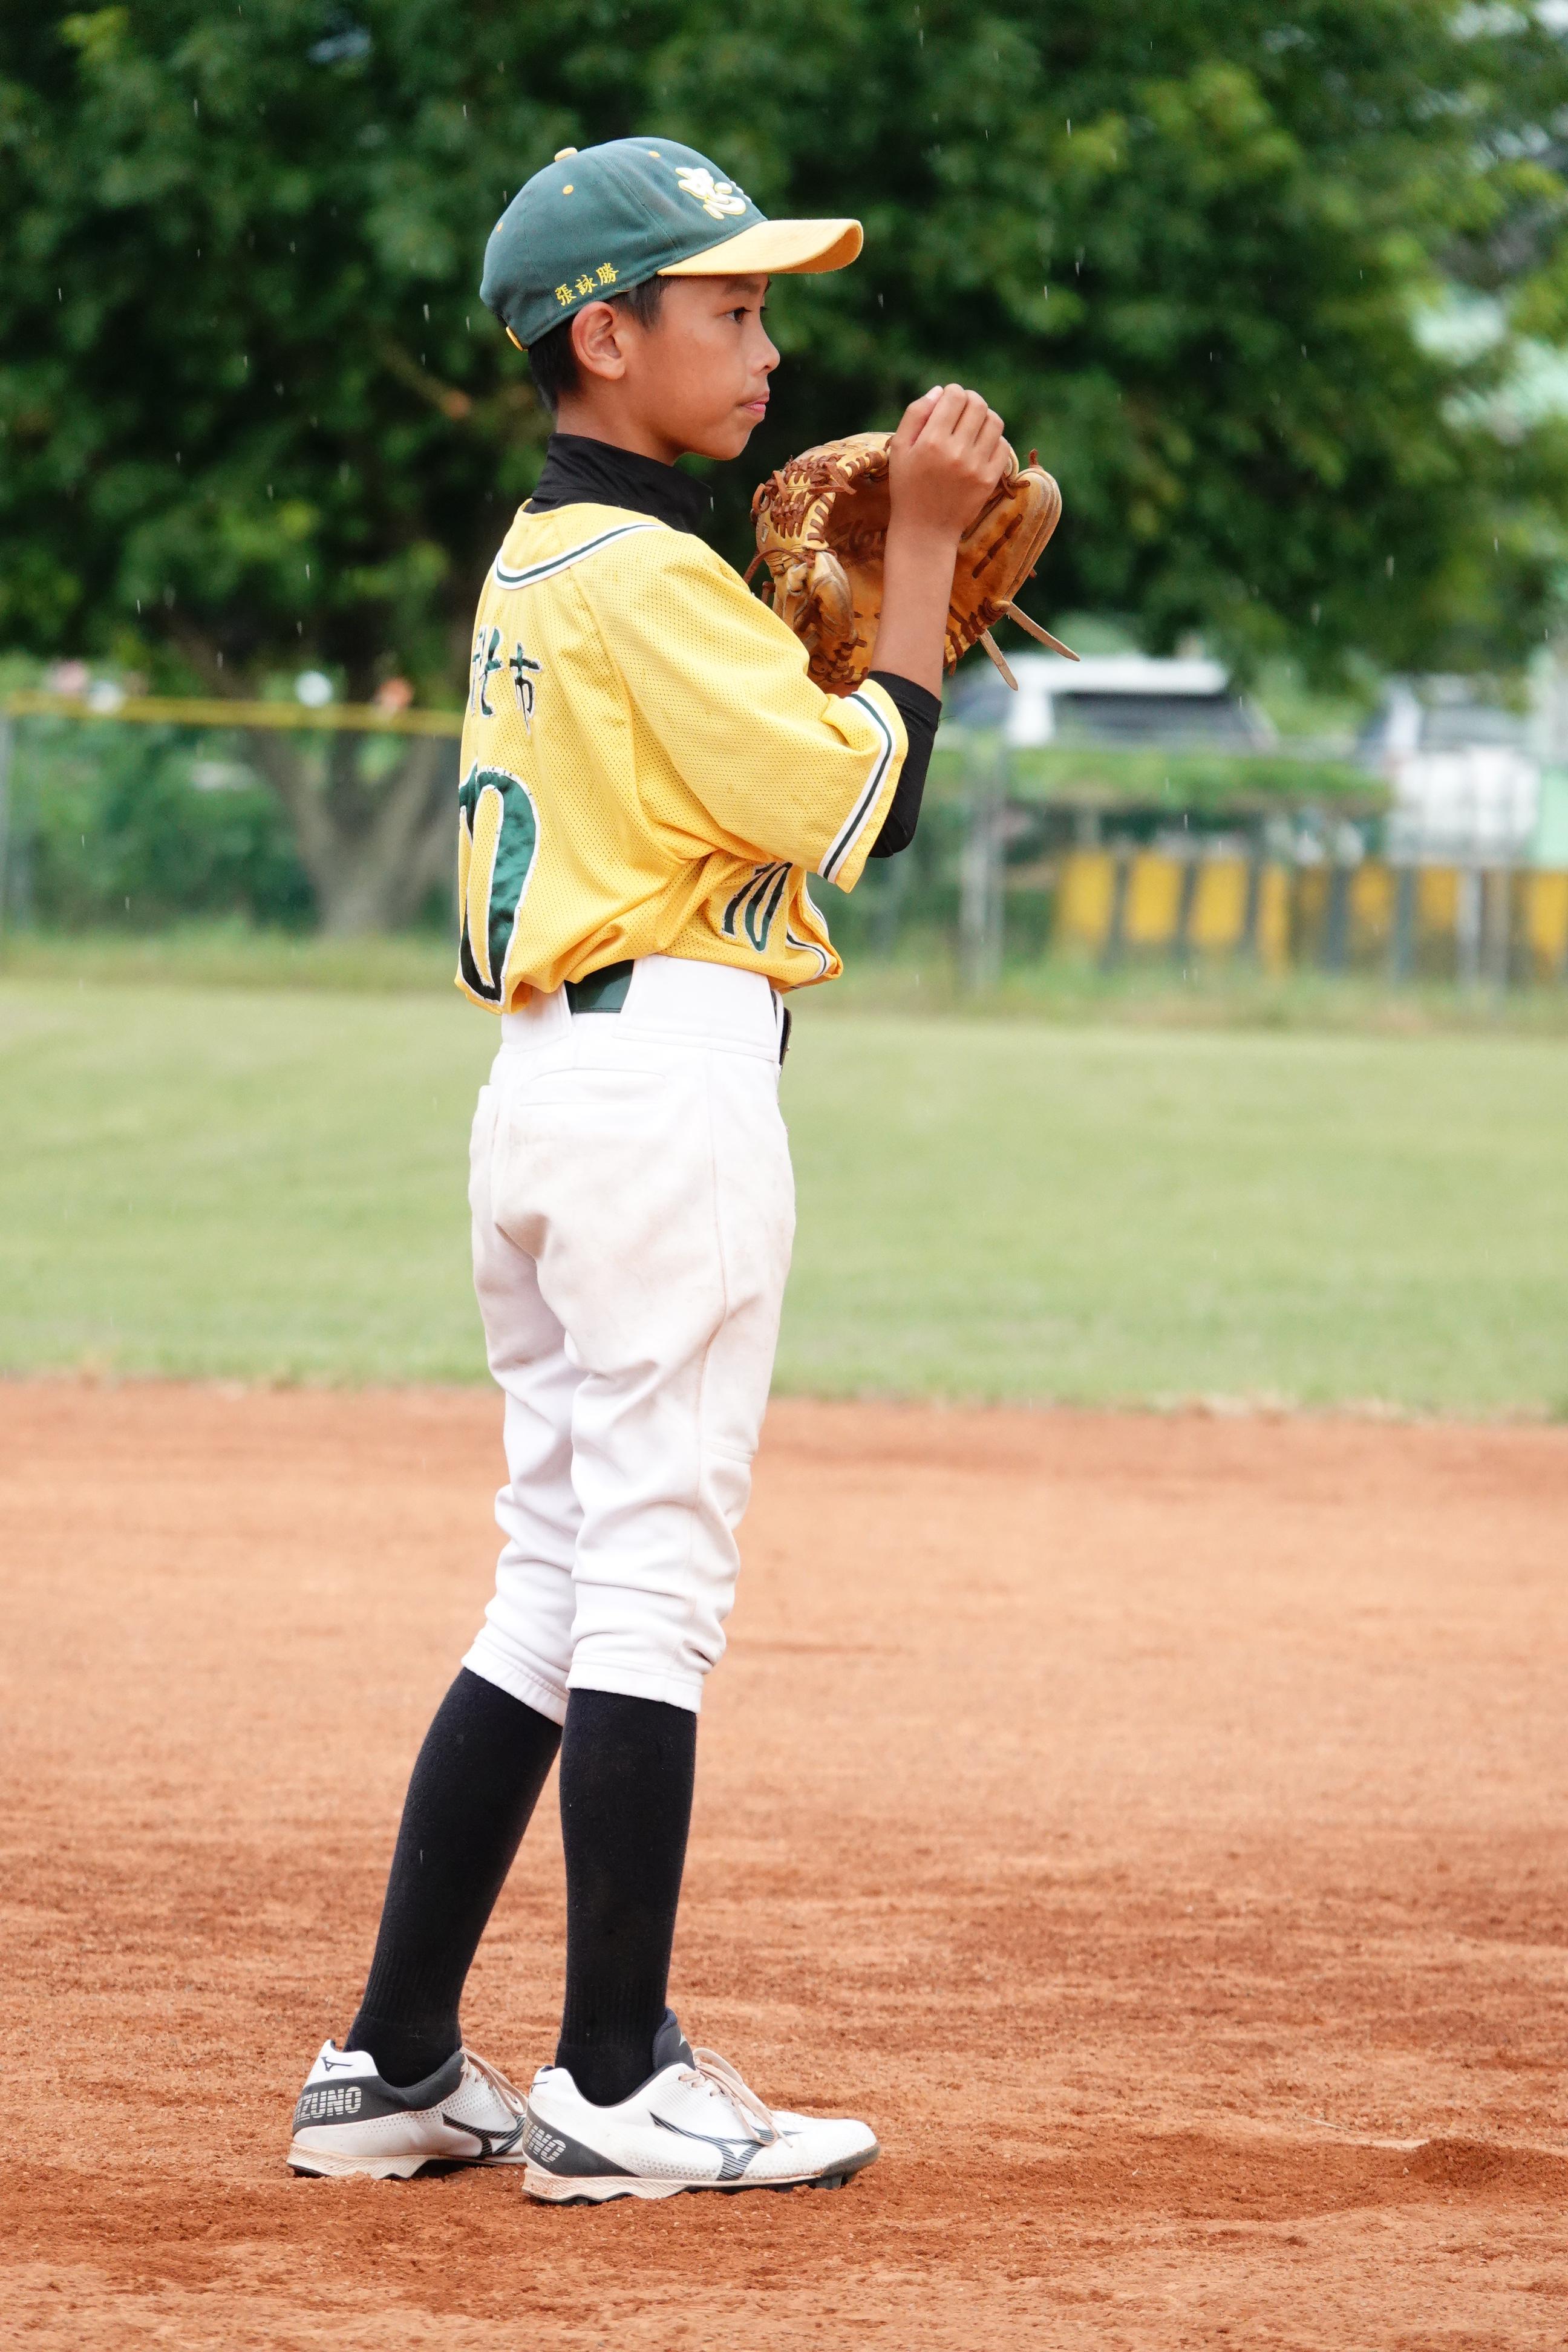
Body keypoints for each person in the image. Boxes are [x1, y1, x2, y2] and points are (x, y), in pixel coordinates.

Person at [286, 136, 1008, 2204]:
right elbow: (863, 804)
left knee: (553, 1573)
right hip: (662, 1097)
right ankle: (614, 2078)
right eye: (732, 308)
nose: (769, 351)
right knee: (652, 1587)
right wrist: (921, 567)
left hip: (544, 1094)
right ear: (604, 338)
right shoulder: (647, 574)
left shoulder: (541, 562)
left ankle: (394, 2063)